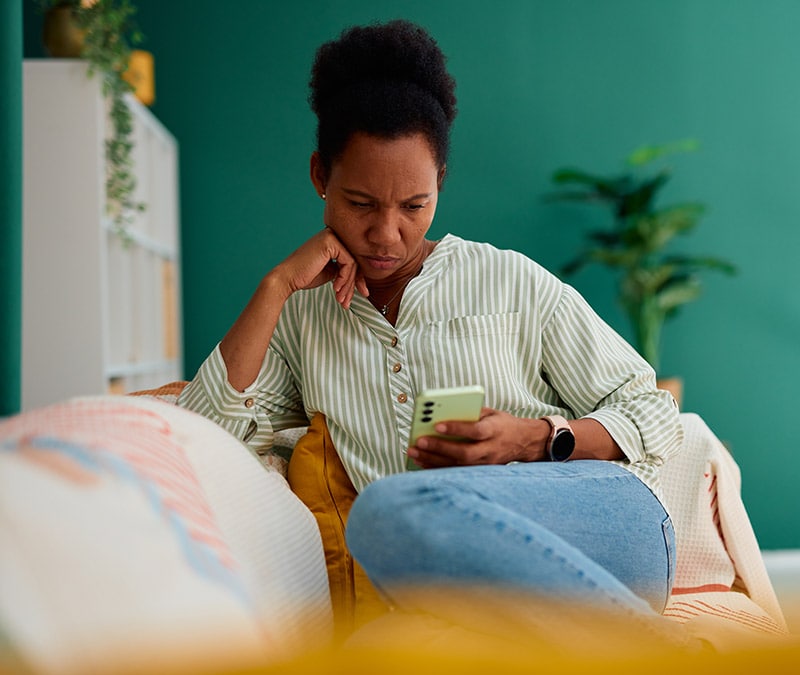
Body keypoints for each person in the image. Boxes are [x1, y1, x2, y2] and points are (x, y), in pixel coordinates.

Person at [178, 19, 684, 633]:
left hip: (607, 529)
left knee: (386, 513)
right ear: (319, 177)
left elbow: (653, 411)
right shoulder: (301, 319)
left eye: (413, 206)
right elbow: (201, 441)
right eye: (361, 204)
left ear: (440, 182)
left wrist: (534, 438)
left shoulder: (510, 280)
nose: (387, 234)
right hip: (443, 567)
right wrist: (275, 287)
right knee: (394, 618)